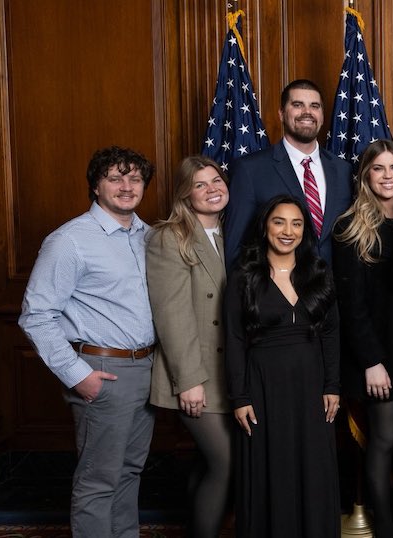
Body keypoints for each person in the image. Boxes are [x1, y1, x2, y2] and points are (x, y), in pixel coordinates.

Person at [18, 146, 157, 538]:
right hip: (102, 371)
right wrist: (79, 375)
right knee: (99, 480)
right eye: (115, 178)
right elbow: (36, 315)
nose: (126, 186)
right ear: (96, 186)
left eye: (134, 179)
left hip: (146, 368)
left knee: (130, 472)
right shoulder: (70, 240)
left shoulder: (150, 236)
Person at [225, 195, 341, 538]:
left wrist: (332, 385)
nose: (287, 231)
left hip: (312, 386)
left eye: (296, 223)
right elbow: (233, 338)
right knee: (269, 469)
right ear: (265, 226)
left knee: (313, 469)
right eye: (279, 222)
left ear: (305, 230)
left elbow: (332, 333)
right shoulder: (244, 276)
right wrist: (239, 396)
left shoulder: (320, 273)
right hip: (262, 388)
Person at [332, 140, 393, 538]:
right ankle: (384, 529)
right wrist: (371, 360)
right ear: (365, 176)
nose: (388, 176)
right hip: (379, 356)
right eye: (378, 168)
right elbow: (351, 307)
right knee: (384, 439)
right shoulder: (352, 228)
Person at [145, 155, 232, 538]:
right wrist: (189, 381)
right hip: (196, 373)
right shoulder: (170, 236)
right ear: (185, 193)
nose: (212, 189)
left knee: (208, 464)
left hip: (229, 373)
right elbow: (172, 316)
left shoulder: (234, 232)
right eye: (200, 184)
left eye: (217, 180)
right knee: (225, 464)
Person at [223, 79, 353, 267]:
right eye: (297, 105)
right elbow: (236, 249)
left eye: (314, 106)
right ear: (282, 114)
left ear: (322, 116)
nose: (307, 112)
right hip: (277, 292)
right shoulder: (250, 170)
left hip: (334, 291)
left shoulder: (343, 170)